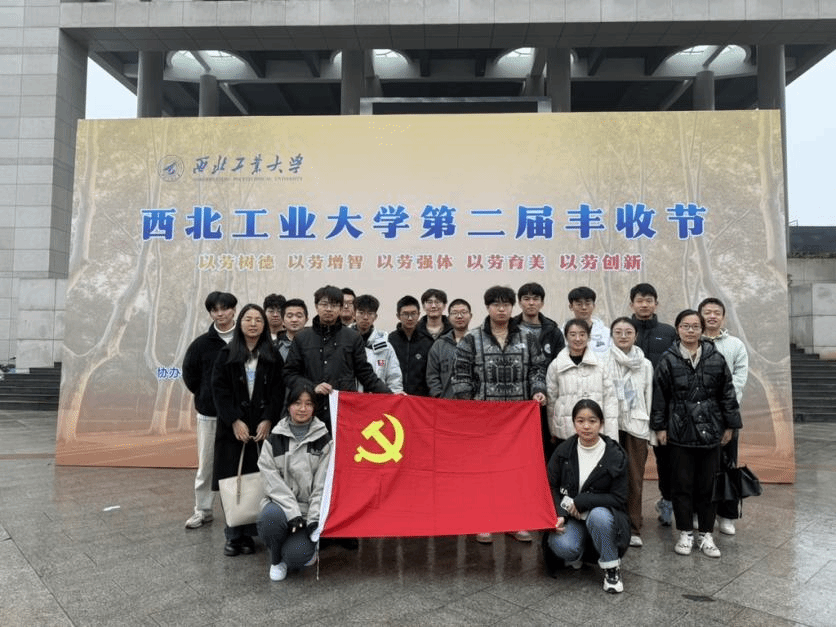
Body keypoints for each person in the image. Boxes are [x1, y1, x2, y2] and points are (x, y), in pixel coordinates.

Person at [451, 285, 547, 544]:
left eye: (506, 304)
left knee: (515, 472)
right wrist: (469, 407)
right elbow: (460, 376)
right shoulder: (472, 339)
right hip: (484, 420)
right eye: (496, 304)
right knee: (485, 472)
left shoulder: (528, 338)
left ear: (512, 307)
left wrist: (538, 390)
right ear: (487, 307)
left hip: (518, 420)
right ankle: (483, 521)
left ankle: (514, 521)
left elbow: (538, 369)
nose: (501, 309)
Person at [650, 309, 742, 559]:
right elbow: (659, 396)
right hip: (679, 432)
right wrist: (660, 427)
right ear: (677, 329)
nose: (690, 331)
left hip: (711, 431)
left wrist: (730, 426)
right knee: (681, 485)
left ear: (702, 330)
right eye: (685, 326)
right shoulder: (668, 359)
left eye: (695, 326)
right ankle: (685, 533)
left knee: (708, 486)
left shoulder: (715, 358)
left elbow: (727, 394)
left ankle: (706, 534)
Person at [212, 304, 284, 557]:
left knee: (256, 479)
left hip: (261, 429)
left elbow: (278, 392)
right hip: (232, 430)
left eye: (258, 320)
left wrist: (268, 419)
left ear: (264, 325)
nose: (253, 324)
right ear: (240, 323)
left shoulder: (273, 356)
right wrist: (234, 420)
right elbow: (218, 391)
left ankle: (251, 533)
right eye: (248, 319)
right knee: (233, 479)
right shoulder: (226, 354)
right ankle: (233, 535)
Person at [544, 399, 630, 594]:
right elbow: (550, 484)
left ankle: (611, 568)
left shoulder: (614, 455)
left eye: (592, 421)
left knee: (598, 516)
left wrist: (583, 501)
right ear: (573, 423)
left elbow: (619, 498)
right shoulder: (564, 450)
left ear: (601, 423)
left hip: (603, 517)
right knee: (562, 546)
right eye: (580, 421)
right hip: (572, 516)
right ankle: (581, 553)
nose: (586, 426)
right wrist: (559, 513)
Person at [284, 285, 391, 433]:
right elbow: (289, 374)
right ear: (316, 306)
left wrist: (392, 395)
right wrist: (313, 387)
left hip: (344, 411)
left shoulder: (353, 338)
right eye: (324, 304)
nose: (329, 309)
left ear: (341, 308)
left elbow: (365, 374)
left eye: (334, 305)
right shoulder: (302, 338)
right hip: (310, 409)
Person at [257, 382, 332, 581]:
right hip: (280, 505)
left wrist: (313, 519)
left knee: (296, 556)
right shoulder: (274, 439)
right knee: (270, 520)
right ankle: (276, 560)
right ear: (289, 405)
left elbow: (322, 486)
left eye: (308, 404)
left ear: (314, 408)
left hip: (307, 510)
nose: (302, 408)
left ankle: (302, 547)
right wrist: (292, 513)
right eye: (297, 403)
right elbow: (271, 481)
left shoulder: (324, 441)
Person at [181, 291, 237, 529]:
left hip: (239, 416)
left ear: (234, 310)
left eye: (225, 308)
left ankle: (238, 513)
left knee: (237, 465)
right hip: (209, 414)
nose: (220, 314)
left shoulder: (246, 339)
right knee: (206, 465)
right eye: (215, 310)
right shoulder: (201, 344)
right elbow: (190, 375)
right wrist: (206, 395)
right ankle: (202, 510)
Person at [698, 297, 749, 536]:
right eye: (707, 312)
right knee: (698, 466)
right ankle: (698, 511)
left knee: (727, 464)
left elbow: (739, 379)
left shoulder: (735, 345)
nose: (712, 316)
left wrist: (722, 406)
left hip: (726, 414)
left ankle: (726, 515)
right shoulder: (692, 342)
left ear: (723, 317)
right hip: (697, 416)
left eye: (716, 312)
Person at [629, 282, 677, 527]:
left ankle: (667, 501)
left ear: (656, 304)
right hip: (631, 407)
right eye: (640, 300)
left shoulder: (668, 332)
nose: (644, 304)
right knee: (629, 461)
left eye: (649, 300)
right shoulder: (623, 330)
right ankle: (627, 508)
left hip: (662, 407)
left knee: (666, 459)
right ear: (632, 304)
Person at [604, 317, 654, 547]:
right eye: (618, 332)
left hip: (636, 425)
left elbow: (648, 396)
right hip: (611, 425)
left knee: (634, 478)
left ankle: (633, 527)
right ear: (611, 335)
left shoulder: (645, 364)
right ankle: (611, 525)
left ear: (636, 335)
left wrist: (650, 432)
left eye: (628, 332)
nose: (623, 336)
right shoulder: (603, 361)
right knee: (610, 477)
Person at [512, 282, 565, 462]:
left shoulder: (553, 331)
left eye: (535, 299)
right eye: (526, 299)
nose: (531, 303)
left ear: (542, 303)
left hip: (545, 397)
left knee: (544, 443)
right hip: (518, 399)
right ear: (520, 302)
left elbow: (560, 364)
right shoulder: (510, 328)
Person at [546, 318, 618, 445]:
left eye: (582, 334)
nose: (578, 339)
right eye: (573, 334)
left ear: (589, 337)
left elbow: (609, 400)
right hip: (565, 431)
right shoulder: (556, 366)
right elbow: (551, 401)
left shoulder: (600, 365)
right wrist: (552, 430)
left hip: (594, 430)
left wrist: (611, 436)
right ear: (566, 337)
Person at [352, 294, 404, 394]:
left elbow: (394, 378)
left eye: (370, 313)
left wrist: (395, 396)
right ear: (354, 314)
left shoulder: (385, 347)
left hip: (378, 399)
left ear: (375, 317)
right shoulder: (344, 341)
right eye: (361, 313)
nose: (365, 317)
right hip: (350, 399)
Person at [389, 295, 435, 396]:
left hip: (420, 399)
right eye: (405, 314)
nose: (410, 318)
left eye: (413, 314)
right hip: (396, 396)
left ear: (419, 314)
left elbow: (431, 375)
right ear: (398, 316)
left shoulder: (428, 342)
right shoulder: (390, 340)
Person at [426, 298, 472, 398]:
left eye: (463, 312)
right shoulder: (439, 345)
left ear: (470, 316)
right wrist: (438, 396)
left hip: (474, 403)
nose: (459, 316)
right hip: (445, 403)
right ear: (449, 317)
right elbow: (432, 376)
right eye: (454, 313)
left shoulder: (478, 342)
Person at [566, 286, 610, 357]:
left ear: (594, 306)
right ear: (571, 307)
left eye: (587, 304)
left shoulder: (606, 333)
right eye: (579, 304)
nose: (584, 307)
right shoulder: (562, 333)